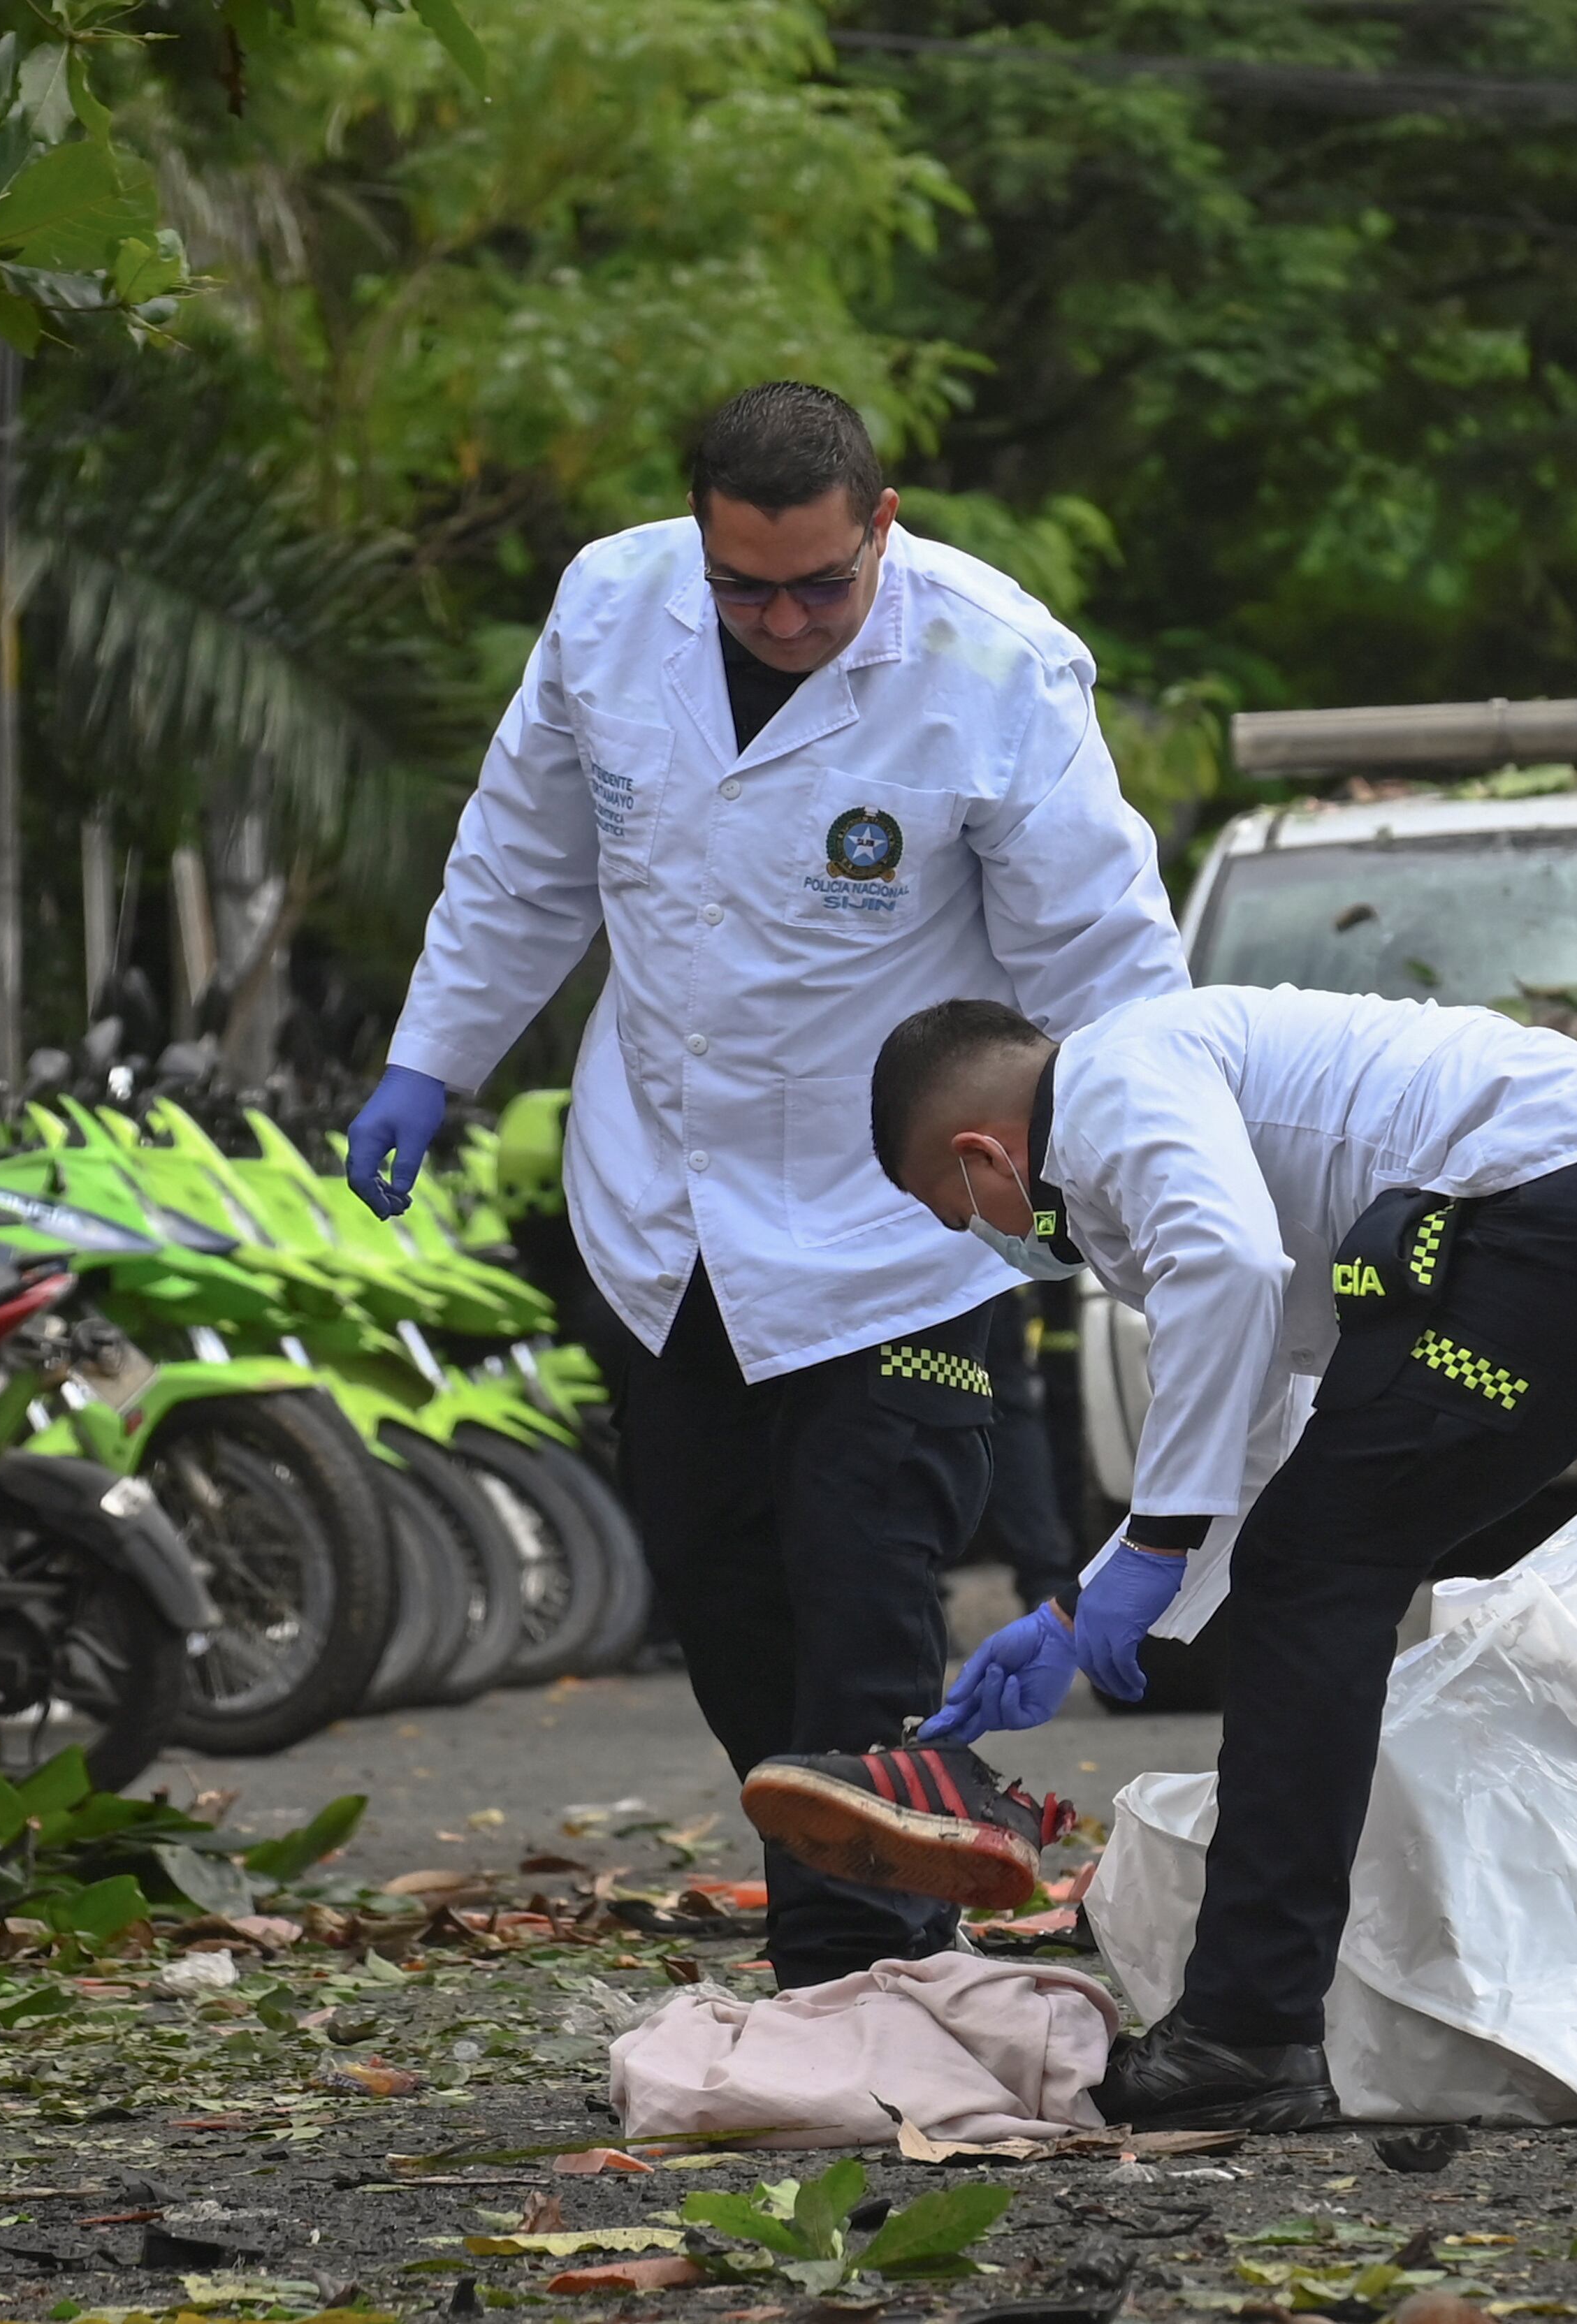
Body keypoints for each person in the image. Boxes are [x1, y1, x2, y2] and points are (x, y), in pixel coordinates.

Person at [737, 987, 1577, 2128]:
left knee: (1318, 1581)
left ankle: (1249, 2028)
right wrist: (1097, 1604)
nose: (976, 1227)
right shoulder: (1203, 1100)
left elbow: (1231, 1271)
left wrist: (1152, 1547)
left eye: (948, 1201)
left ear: (980, 1149)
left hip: (1574, 1238)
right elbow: (1266, 1407)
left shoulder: (1119, 1077)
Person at [338, 381, 1188, 1988]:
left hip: (907, 1226)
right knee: (725, 1599)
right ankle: (857, 1915)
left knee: (864, 1598)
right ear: (697, 542)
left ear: (883, 526)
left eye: (821, 583)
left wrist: (1149, 1170)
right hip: (663, 1205)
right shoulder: (608, 608)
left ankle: (855, 1979)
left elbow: (1103, 956)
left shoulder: (993, 666)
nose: (785, 617)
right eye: (747, 586)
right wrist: (431, 1056)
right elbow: (526, 858)